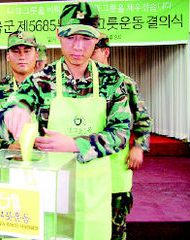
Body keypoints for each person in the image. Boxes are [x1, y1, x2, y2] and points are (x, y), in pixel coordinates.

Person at [0, 2, 131, 239]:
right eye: (71, 37)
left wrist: (74, 145)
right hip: (51, 192)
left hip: (94, 194)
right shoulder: (41, 80)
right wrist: (14, 112)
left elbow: (121, 134)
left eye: (87, 38)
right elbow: (13, 106)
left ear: (97, 39)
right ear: (59, 35)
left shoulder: (112, 81)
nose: (78, 47)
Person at [91, 34, 152, 240]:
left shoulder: (124, 83)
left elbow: (143, 119)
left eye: (93, 51)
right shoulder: (77, 85)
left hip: (115, 169)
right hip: (86, 169)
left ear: (105, 52)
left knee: (114, 228)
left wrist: (139, 147)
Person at [0, 30, 38, 153]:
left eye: (27, 51)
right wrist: (7, 147)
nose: (22, 56)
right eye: (16, 51)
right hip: (8, 165)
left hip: (46, 165)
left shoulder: (51, 89)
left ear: (36, 55)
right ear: (8, 56)